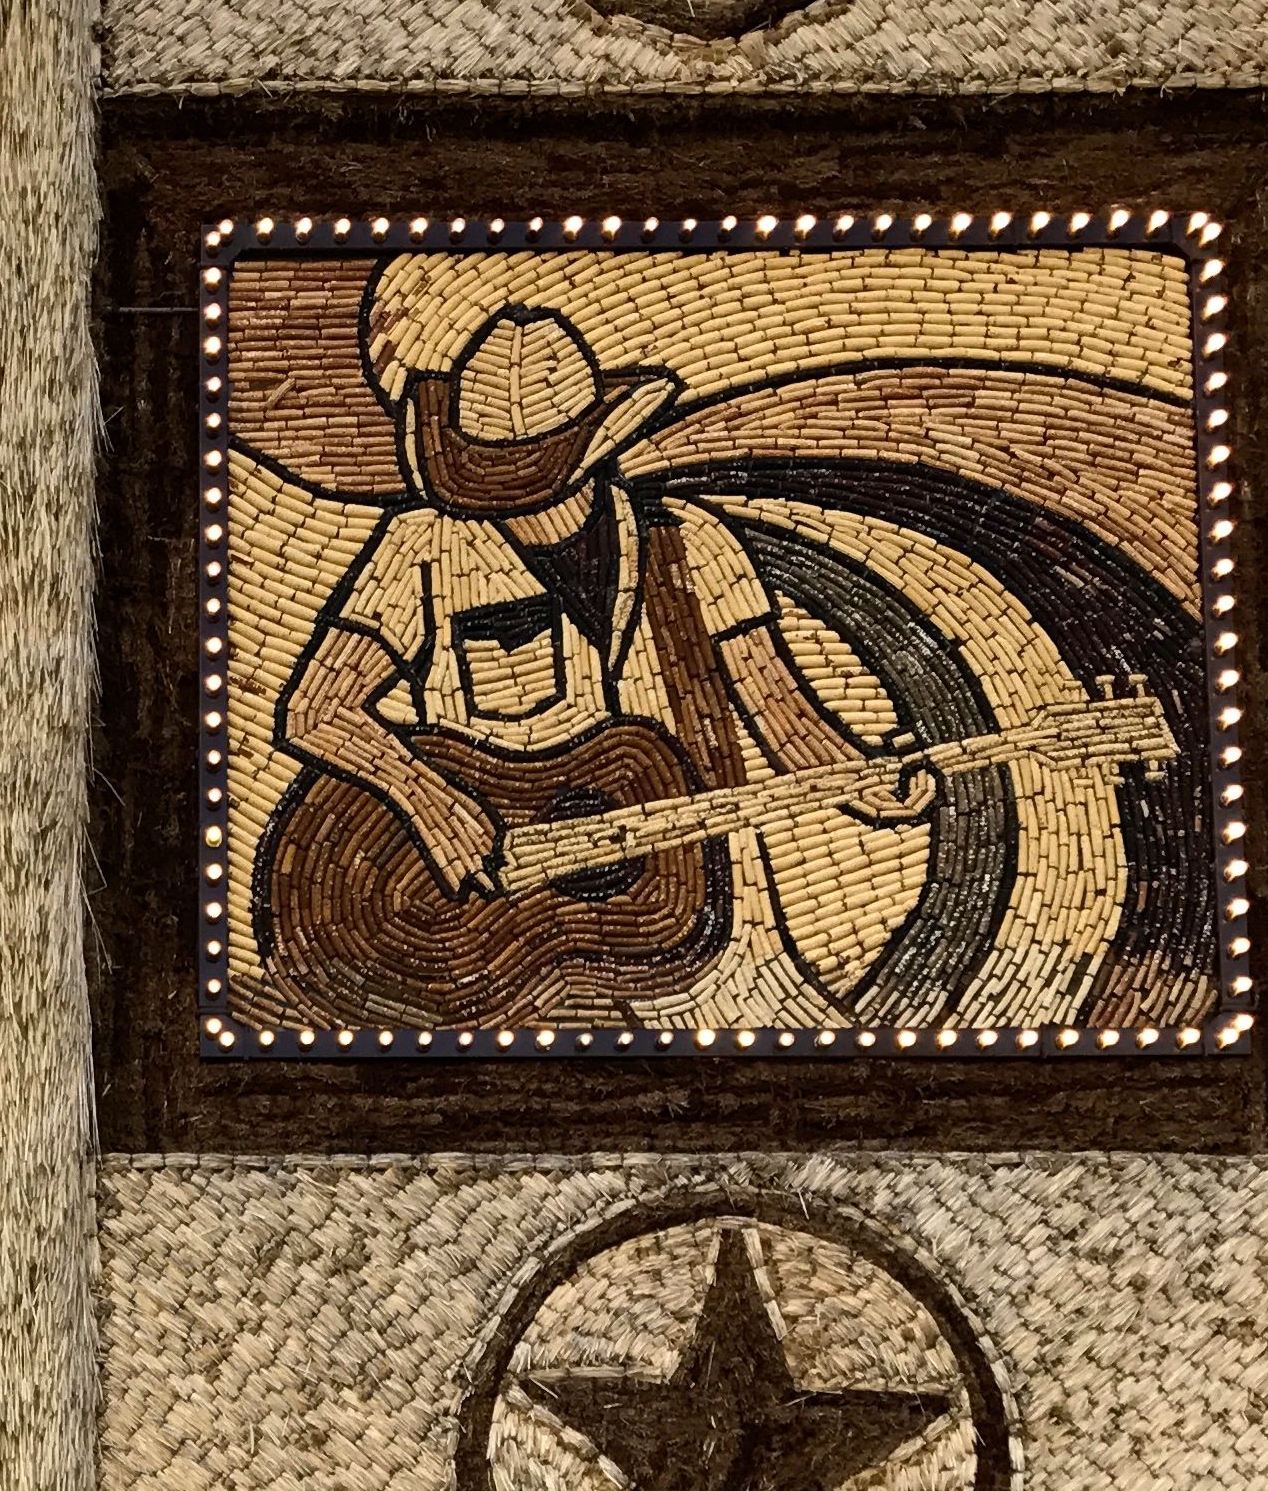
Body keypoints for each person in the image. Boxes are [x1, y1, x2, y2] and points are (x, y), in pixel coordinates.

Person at [266, 276, 930, 1029]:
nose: (509, 496)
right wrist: (431, 799)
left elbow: (780, 711)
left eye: (528, 471)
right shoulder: (423, 547)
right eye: (493, 474)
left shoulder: (693, 543)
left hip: (700, 915)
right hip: (496, 943)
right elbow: (314, 709)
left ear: (588, 449)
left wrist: (867, 783)